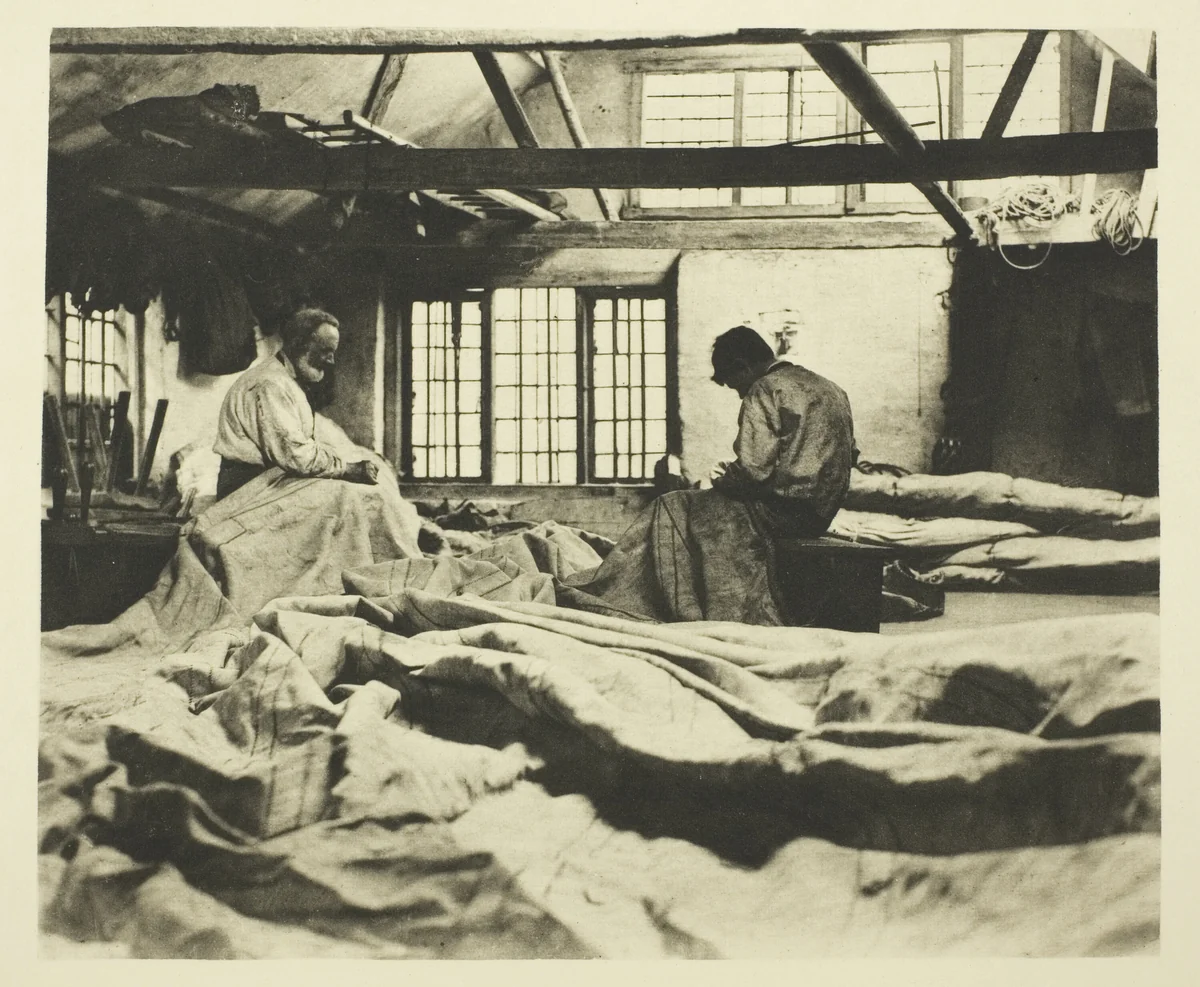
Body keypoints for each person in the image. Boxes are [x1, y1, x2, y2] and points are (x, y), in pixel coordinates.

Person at [213, 307, 379, 499]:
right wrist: (347, 468)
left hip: (271, 479)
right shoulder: (270, 384)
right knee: (353, 499)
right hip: (247, 488)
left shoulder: (286, 379)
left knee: (362, 497)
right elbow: (295, 454)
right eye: (325, 351)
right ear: (299, 345)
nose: (331, 361)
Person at [708, 325, 856, 537]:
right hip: (823, 516)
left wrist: (722, 481)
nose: (742, 395)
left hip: (783, 516)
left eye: (738, 387)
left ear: (743, 367)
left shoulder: (764, 389)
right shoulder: (834, 389)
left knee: (682, 508)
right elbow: (852, 455)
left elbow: (754, 471)